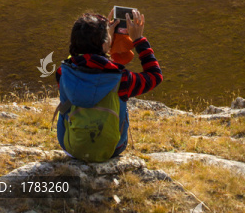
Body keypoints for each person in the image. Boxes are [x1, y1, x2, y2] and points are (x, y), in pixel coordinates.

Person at [52, 8, 162, 161]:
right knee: (120, 95)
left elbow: (82, 65)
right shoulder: (122, 78)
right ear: (105, 43)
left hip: (71, 146)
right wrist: (139, 40)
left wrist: (103, 44)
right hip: (112, 149)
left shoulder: (62, 72)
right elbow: (155, 75)